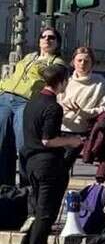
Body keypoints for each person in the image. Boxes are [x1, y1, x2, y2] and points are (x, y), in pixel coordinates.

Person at [13, 64, 85, 244]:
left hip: (30, 163)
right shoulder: (54, 107)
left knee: (37, 212)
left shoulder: (32, 102)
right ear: (62, 81)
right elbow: (47, 140)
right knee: (46, 214)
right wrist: (71, 141)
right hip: (47, 164)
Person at [0, 27, 67, 186]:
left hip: (26, 101)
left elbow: (55, 80)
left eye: (51, 37)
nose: (46, 39)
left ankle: (27, 188)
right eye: (43, 36)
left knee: (24, 146)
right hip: (6, 97)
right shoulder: (29, 56)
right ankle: (5, 189)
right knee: (2, 144)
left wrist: (43, 61)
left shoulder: (56, 62)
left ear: (57, 43)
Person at [58, 47, 105, 171]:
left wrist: (81, 112)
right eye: (79, 60)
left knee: (63, 166)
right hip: (60, 128)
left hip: (80, 131)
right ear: (73, 62)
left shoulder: (100, 83)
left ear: (92, 63)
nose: (82, 64)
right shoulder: (66, 81)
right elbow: (57, 101)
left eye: (86, 61)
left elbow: (103, 109)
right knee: (52, 166)